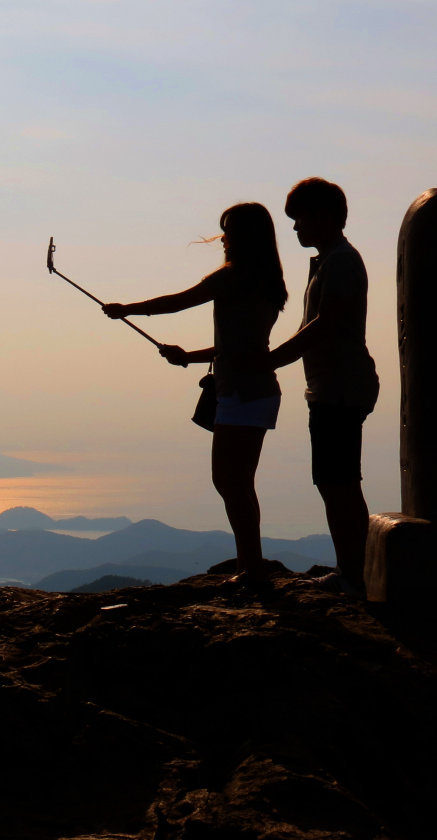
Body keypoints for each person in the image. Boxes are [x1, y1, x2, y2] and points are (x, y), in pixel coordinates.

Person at [103, 202, 288, 586]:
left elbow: (178, 301)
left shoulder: (234, 276)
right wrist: (190, 357)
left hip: (243, 392)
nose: (224, 238)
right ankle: (249, 565)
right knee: (237, 482)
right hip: (255, 389)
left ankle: (251, 568)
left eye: (229, 230)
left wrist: (127, 309)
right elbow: (239, 344)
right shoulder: (266, 279)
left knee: (230, 482)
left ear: (243, 236)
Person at [269, 177, 379, 598]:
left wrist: (273, 360)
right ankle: (352, 572)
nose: (295, 228)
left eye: (299, 219)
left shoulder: (342, 261)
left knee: (338, 482)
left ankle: (352, 576)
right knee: (338, 481)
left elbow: (325, 324)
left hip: (340, 386)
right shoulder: (329, 260)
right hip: (334, 385)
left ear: (323, 216)